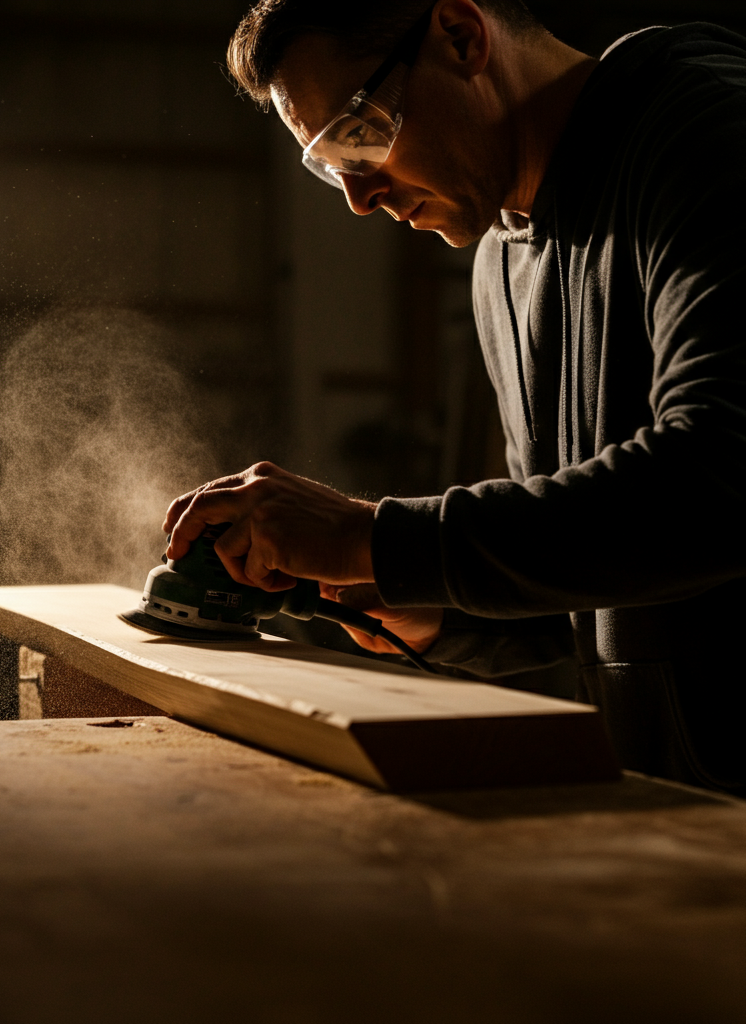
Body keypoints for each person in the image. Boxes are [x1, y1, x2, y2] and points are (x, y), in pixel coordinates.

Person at [163, 0, 746, 794]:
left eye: (358, 134)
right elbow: (604, 571)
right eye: (329, 164)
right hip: (685, 817)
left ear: (462, 38)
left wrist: (377, 538)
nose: (357, 198)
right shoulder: (503, 266)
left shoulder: (709, 134)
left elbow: (724, 480)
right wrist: (430, 603)